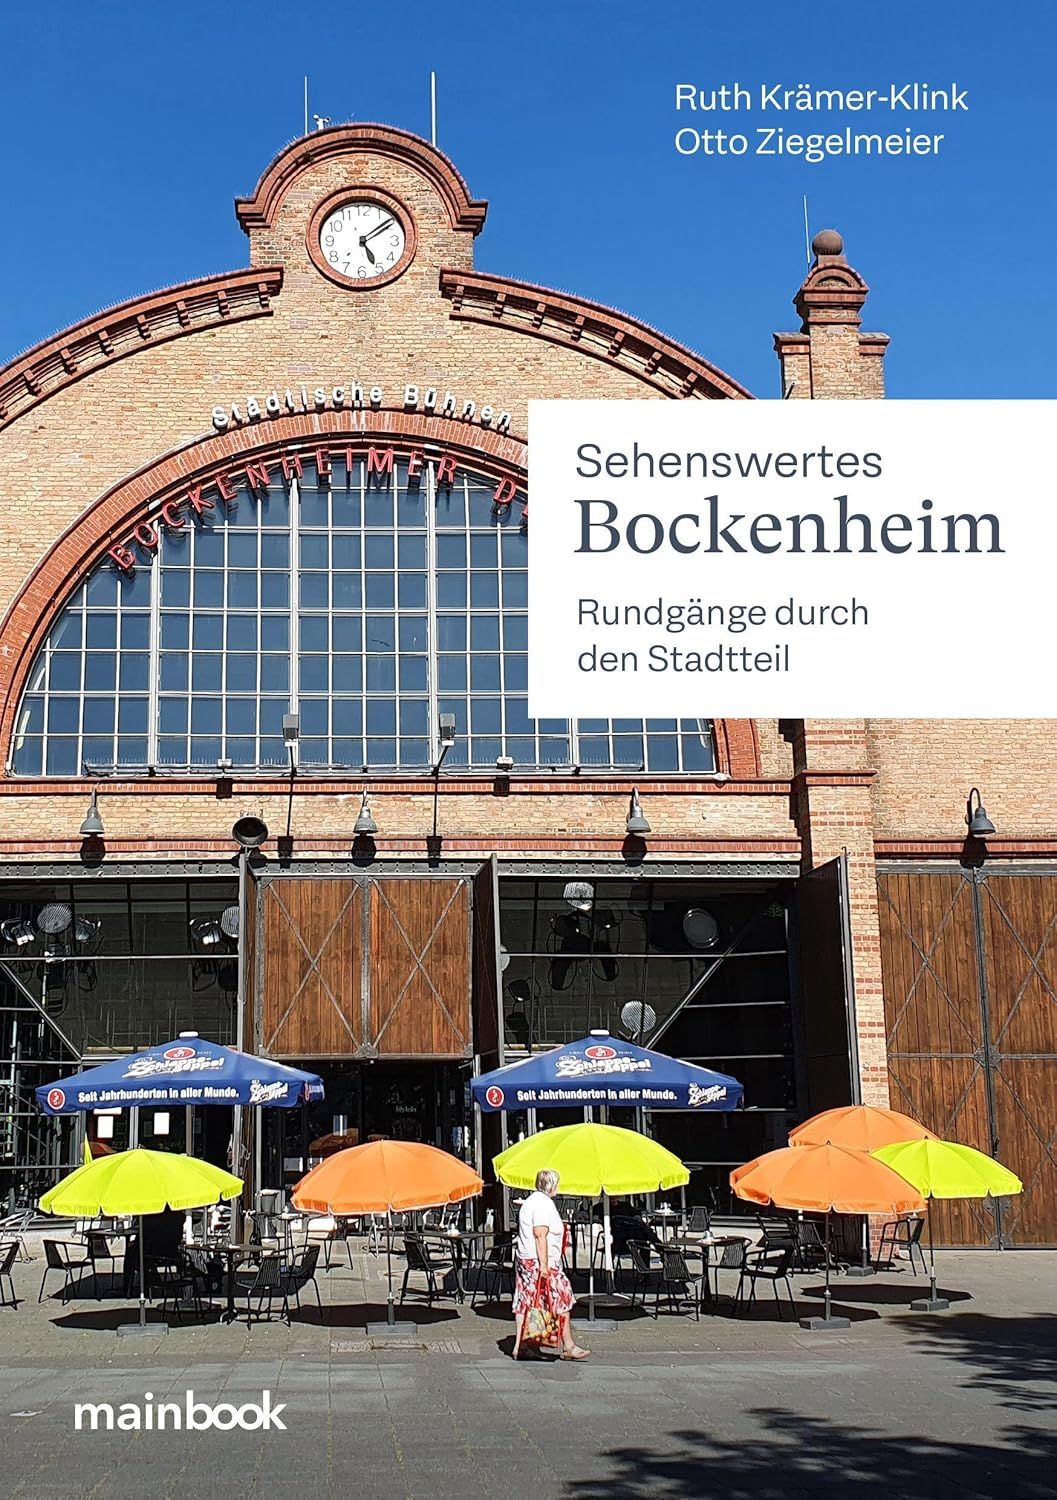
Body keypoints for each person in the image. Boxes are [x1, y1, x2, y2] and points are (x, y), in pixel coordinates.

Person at [511, 1168, 589, 1361]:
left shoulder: (531, 1201)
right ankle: (569, 1346)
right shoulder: (543, 1204)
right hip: (539, 1261)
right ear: (552, 1185)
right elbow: (540, 1234)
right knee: (563, 1296)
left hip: (526, 1259)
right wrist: (544, 1265)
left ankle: (520, 1346)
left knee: (525, 1301)